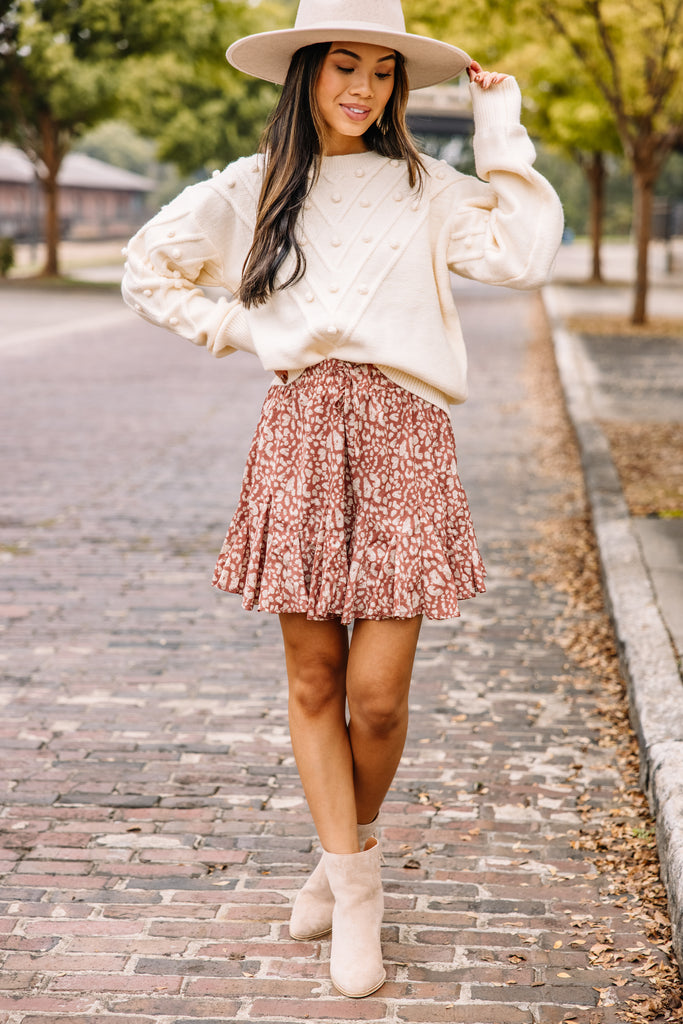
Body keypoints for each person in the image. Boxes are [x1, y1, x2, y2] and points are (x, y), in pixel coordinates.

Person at [121, 0, 564, 1000]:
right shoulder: (253, 187)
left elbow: (525, 256)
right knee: (315, 678)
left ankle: (337, 851)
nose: (361, 88)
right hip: (299, 438)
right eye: (341, 67)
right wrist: (247, 333)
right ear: (305, 76)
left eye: (379, 71)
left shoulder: (426, 187)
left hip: (405, 437)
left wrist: (500, 132)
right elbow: (147, 270)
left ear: (398, 86)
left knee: (377, 694)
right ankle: (356, 892)